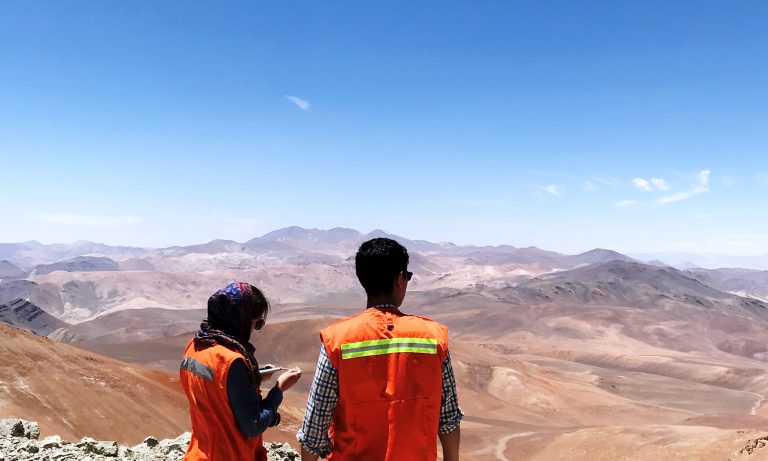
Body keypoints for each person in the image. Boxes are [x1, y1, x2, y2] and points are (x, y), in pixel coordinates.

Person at [297, 238, 463, 461]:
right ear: (399, 278)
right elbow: (449, 417)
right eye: (407, 276)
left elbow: (315, 425)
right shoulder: (433, 337)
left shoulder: (338, 340)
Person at [180, 282, 302, 461]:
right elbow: (254, 424)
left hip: (200, 452)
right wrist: (279, 389)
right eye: (257, 323)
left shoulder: (195, 346)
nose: (254, 329)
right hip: (230, 454)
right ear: (240, 319)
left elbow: (216, 388)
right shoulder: (233, 361)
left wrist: (253, 377)